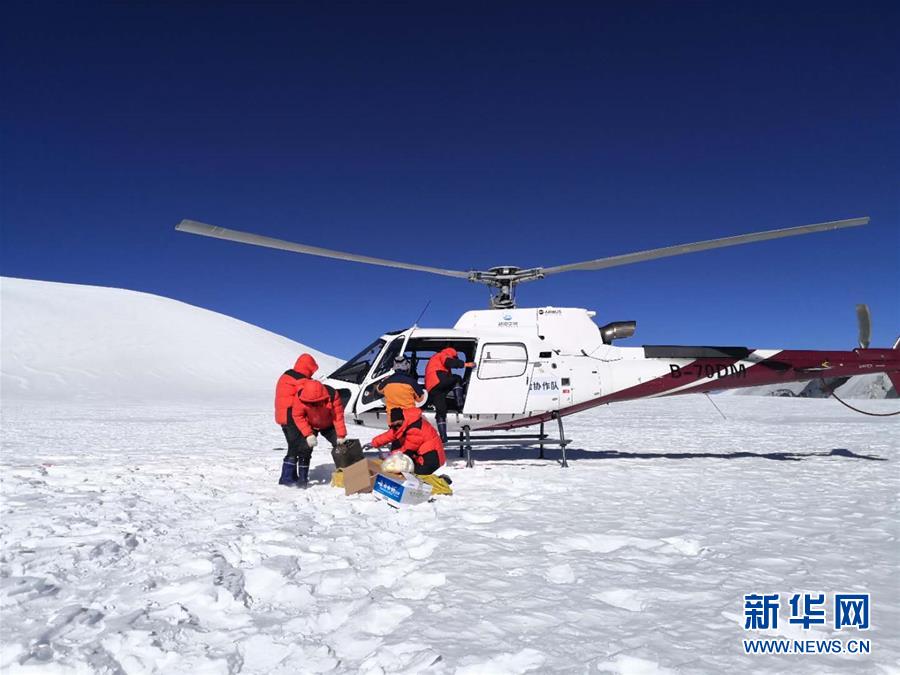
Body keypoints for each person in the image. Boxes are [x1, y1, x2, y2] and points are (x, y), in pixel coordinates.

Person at [287, 380, 347, 487]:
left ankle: (344, 475)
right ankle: (302, 479)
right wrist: (308, 434)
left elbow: (338, 416)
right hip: (310, 425)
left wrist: (341, 435)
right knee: (305, 449)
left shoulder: (332, 395)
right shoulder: (300, 397)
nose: (313, 404)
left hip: (328, 425)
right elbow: (298, 416)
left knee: (341, 447)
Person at [275, 353, 319, 486]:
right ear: (308, 367)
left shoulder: (286, 376)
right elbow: (308, 395)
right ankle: (289, 478)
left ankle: (291, 476)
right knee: (299, 448)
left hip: (283, 417)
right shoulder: (300, 380)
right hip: (292, 416)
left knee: (293, 446)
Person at [369, 407, 445, 475]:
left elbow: (407, 450)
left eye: (398, 424)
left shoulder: (415, 428)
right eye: (394, 426)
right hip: (421, 455)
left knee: (417, 476)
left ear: (403, 419)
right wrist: (374, 443)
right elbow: (391, 434)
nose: (397, 427)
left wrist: (389, 455)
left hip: (431, 459)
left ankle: (441, 481)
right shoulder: (405, 424)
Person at [425, 347, 474, 442]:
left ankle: (443, 436)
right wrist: (465, 364)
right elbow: (449, 362)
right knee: (457, 379)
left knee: (441, 411)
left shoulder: (434, 359)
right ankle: (460, 404)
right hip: (438, 379)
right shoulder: (442, 354)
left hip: (432, 387)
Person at [377, 355, 426, 419]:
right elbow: (420, 398)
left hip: (393, 419)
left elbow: (379, 389)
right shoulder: (412, 382)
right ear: (407, 366)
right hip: (409, 418)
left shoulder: (387, 381)